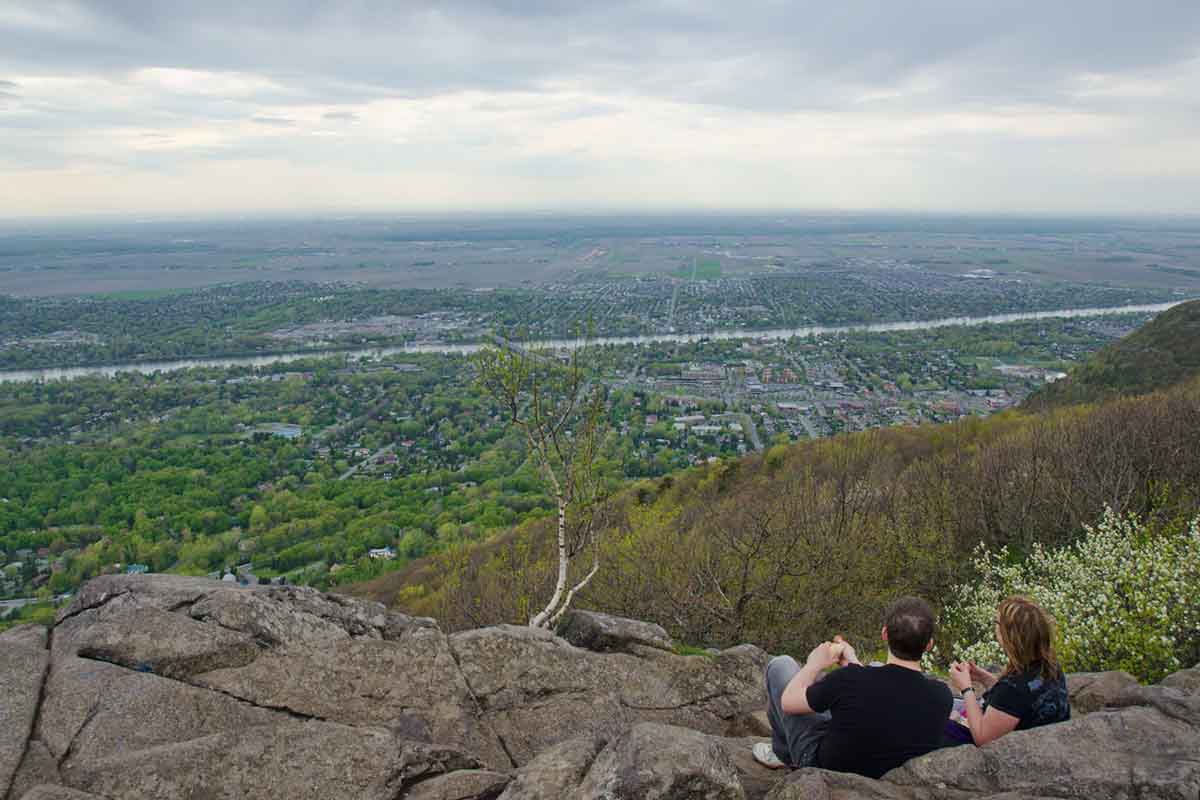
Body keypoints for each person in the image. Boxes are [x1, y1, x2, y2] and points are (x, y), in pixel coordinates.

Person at [753, 597, 952, 779]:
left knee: (782, 665)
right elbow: (882, 698)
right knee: (839, 695)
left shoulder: (850, 680)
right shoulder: (942, 696)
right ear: (929, 645)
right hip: (888, 777)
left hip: (824, 770)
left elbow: (788, 702)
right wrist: (853, 663)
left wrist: (813, 664)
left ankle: (784, 755)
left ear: (884, 634)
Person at [948, 596, 1069, 746]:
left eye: (997, 623)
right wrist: (982, 677)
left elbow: (982, 738)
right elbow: (1011, 702)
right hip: (1052, 740)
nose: (995, 627)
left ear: (1010, 635)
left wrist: (966, 688)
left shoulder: (1014, 689)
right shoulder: (1048, 666)